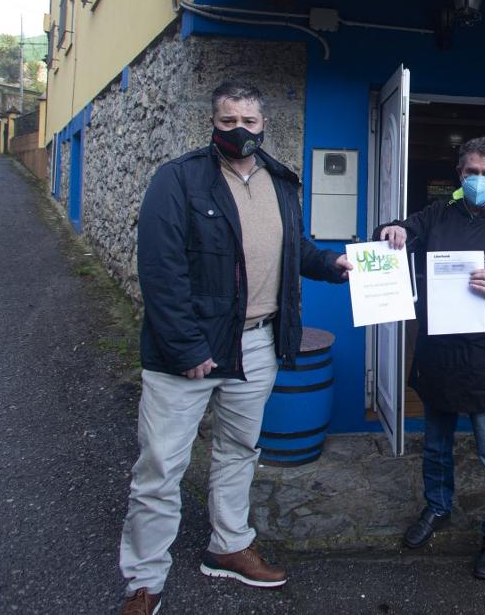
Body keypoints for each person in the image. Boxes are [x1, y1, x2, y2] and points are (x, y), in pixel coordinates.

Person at [118, 80, 352, 615]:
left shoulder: (281, 182)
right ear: (213, 123)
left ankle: (228, 545)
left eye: (248, 122)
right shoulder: (177, 180)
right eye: (228, 122)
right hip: (191, 353)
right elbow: (160, 271)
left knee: (239, 451)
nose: (239, 131)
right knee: (160, 467)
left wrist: (335, 266)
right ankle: (144, 580)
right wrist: (185, 347)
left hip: (259, 344)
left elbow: (298, 250)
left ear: (262, 123)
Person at [377, 137, 485, 580]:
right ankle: (437, 508)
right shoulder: (439, 212)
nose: (479, 181)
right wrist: (393, 229)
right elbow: (404, 230)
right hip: (438, 352)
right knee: (435, 445)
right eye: (472, 172)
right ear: (460, 174)